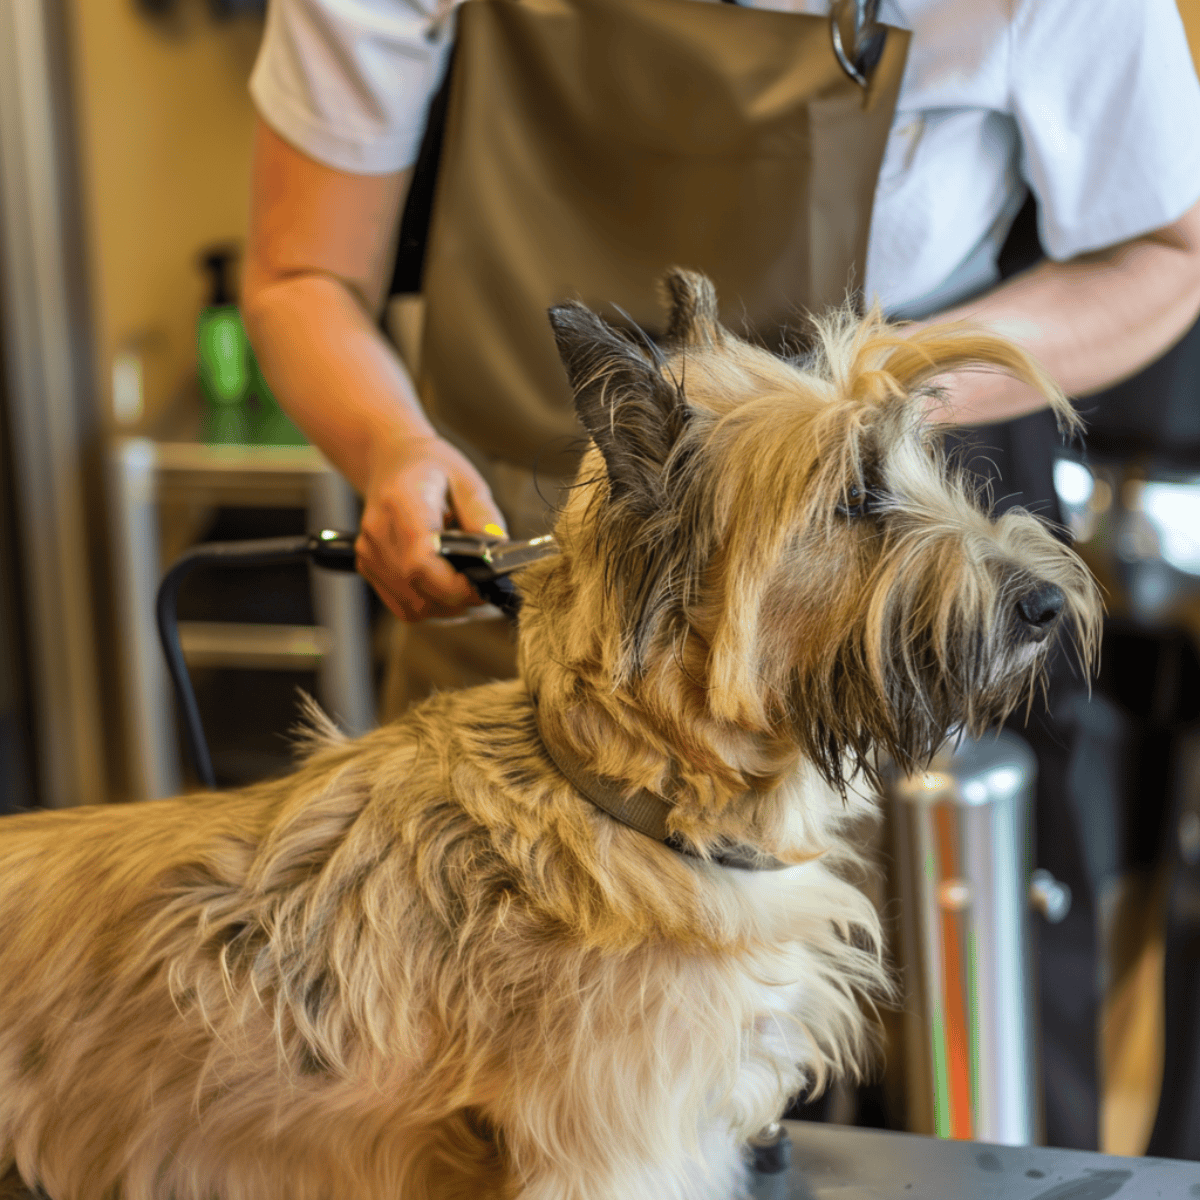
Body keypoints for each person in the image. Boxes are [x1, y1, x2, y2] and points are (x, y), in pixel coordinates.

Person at [240, 0, 1200, 1150]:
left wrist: (868, 412)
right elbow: (302, 268)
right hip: (516, 580)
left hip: (884, 580)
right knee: (475, 1120)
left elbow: (1168, 250)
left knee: (945, 1094)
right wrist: (392, 448)